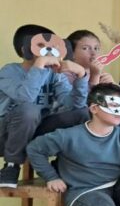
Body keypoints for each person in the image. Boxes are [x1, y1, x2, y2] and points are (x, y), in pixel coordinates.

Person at [0, 25, 89, 188]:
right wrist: (39, 66)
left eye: (54, 46)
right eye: (41, 46)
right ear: (26, 49)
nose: (50, 51)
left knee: (82, 113)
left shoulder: (54, 75)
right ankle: (11, 165)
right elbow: (25, 97)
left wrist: (81, 76)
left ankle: (65, 164)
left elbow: (74, 105)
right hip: (6, 135)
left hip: (37, 130)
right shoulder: (9, 71)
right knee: (30, 109)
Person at [66, 29, 120, 131]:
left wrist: (113, 86)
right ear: (71, 53)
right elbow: (81, 104)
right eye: (85, 48)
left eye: (96, 48)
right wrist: (94, 78)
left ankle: (115, 138)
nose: (93, 53)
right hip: (84, 115)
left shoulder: (101, 74)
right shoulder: (67, 74)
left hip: (106, 114)